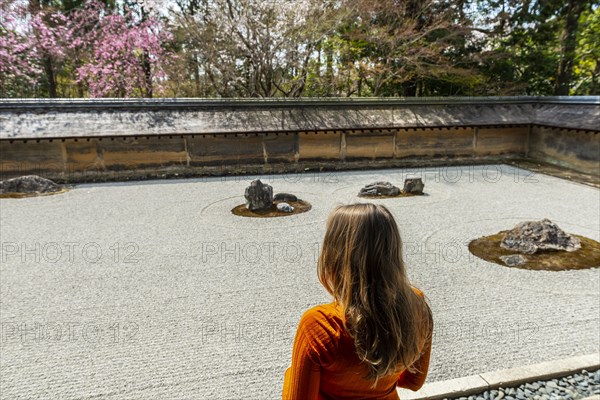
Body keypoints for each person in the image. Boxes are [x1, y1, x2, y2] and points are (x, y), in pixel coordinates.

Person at [282, 203, 433, 400]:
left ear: (335, 256)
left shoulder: (320, 325)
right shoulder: (418, 306)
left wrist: (290, 375)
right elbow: (414, 382)